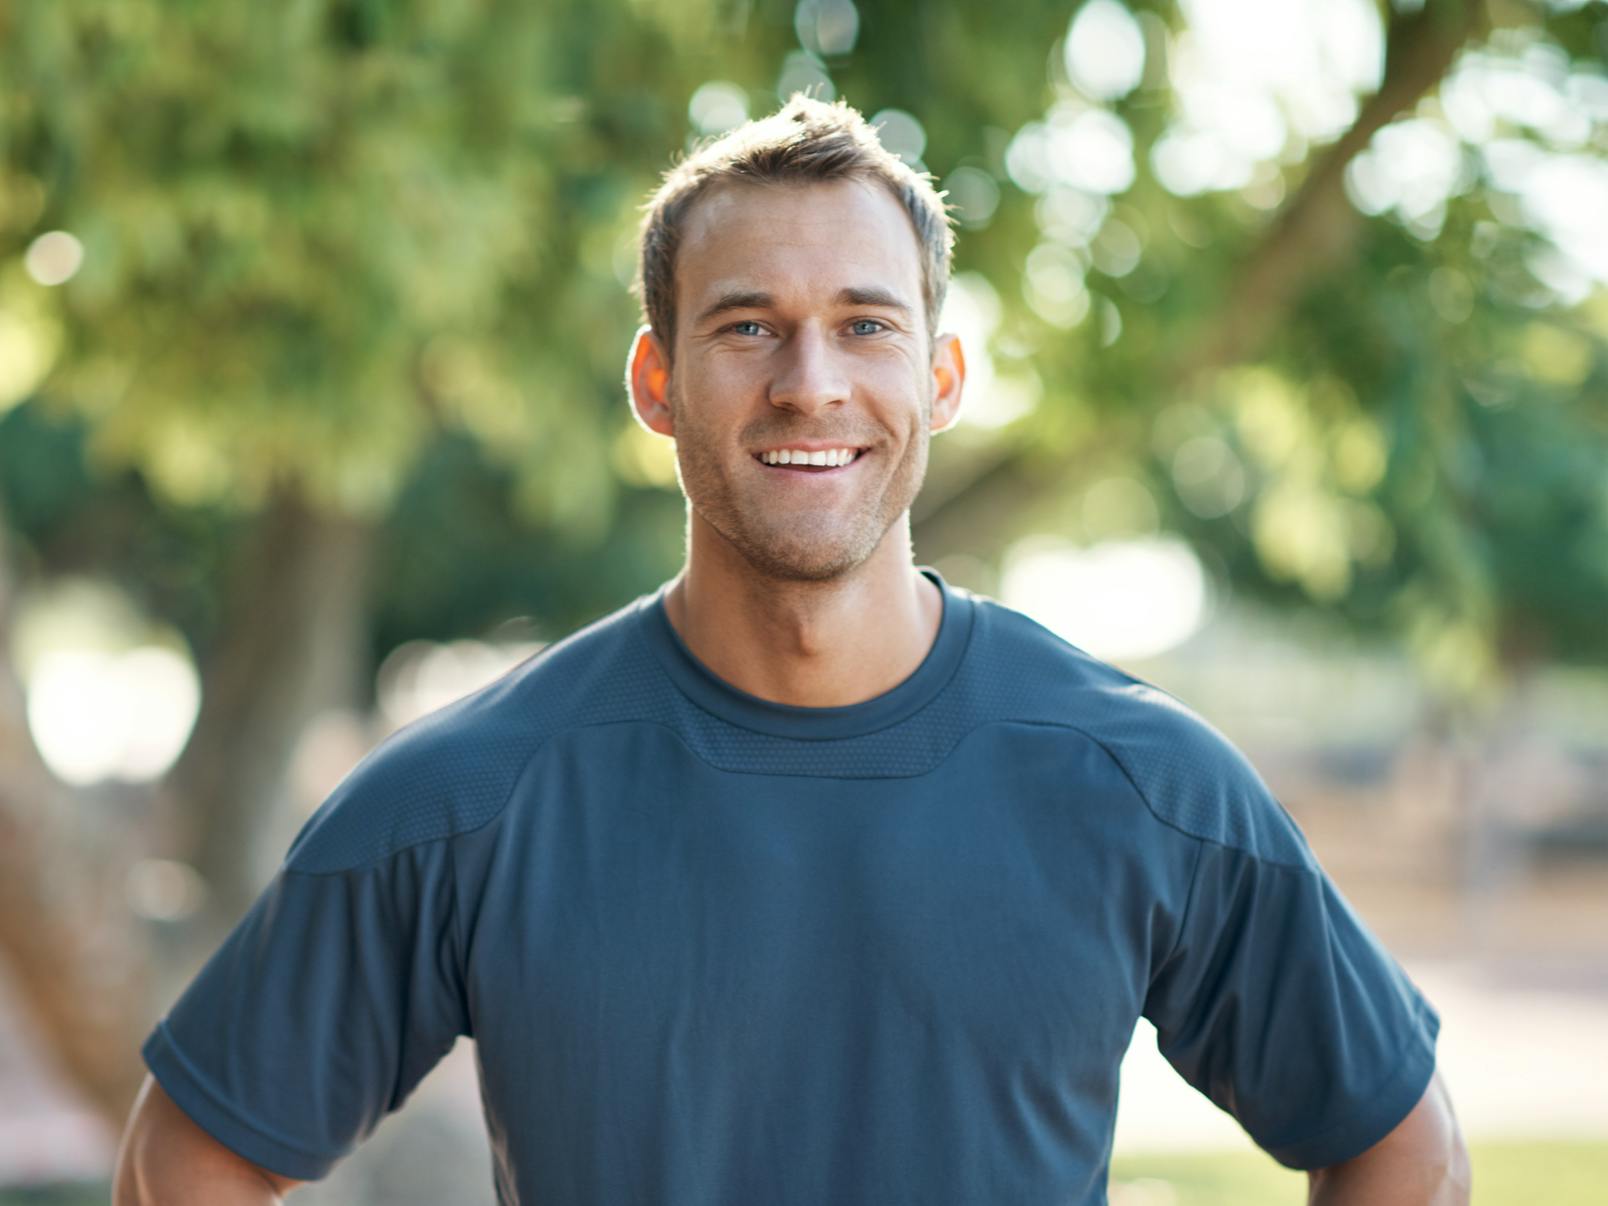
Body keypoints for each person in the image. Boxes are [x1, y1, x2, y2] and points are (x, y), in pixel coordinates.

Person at [114, 95, 1470, 1205]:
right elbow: (189, 1160)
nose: (810, 380)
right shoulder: (476, 795)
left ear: (940, 376)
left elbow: (1400, 1144)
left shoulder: (1136, 780)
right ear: (658, 381)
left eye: (865, 325)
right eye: (747, 324)